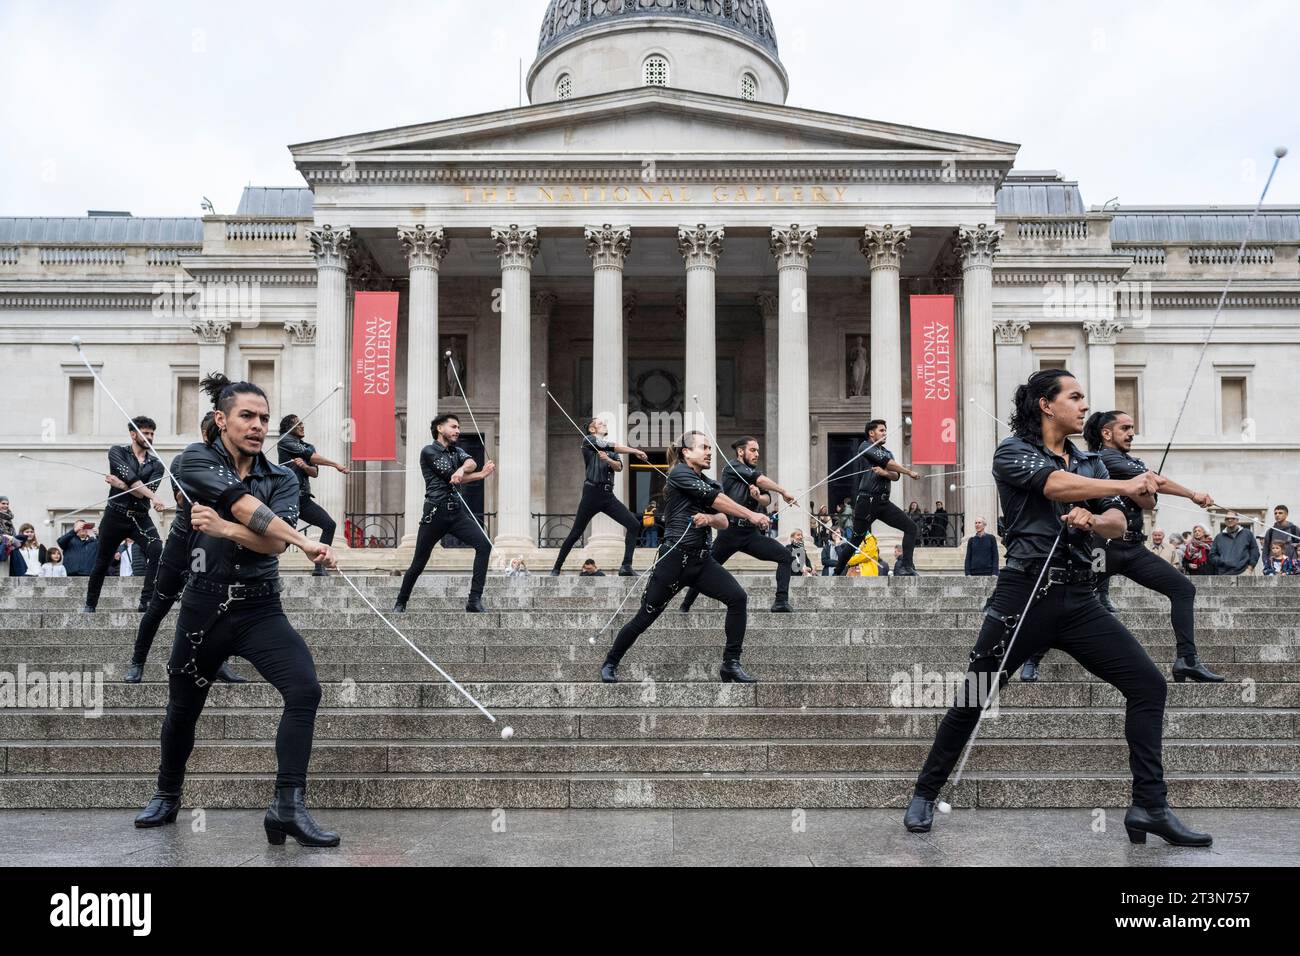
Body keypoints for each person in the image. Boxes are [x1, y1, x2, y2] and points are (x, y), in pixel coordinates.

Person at [904, 368, 1210, 846]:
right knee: (974, 695)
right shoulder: (1012, 451)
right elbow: (1052, 485)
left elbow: (1118, 522)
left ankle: (1149, 807)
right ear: (1046, 405)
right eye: (1075, 396)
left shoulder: (1091, 462)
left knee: (1148, 685)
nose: (1085, 405)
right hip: (1023, 595)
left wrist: (1096, 518)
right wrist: (1124, 487)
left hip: (1081, 599)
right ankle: (925, 793)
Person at [135, 372, 339, 847]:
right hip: (203, 609)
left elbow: (271, 544)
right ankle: (167, 793)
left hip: (260, 607)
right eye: (247, 416)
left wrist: (227, 529)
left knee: (305, 688)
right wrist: (301, 540)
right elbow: (243, 505)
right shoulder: (195, 460)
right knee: (183, 708)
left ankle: (287, 806)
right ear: (222, 420)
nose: (258, 426)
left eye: (264, 418)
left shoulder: (282, 477)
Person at [1023, 410, 1222, 684]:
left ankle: (1187, 659)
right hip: (1102, 548)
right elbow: (1155, 481)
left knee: (1183, 588)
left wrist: (1147, 490)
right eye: (1125, 428)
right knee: (1065, 600)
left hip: (1133, 548)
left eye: (1132, 428)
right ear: (1106, 433)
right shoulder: (1104, 458)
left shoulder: (1130, 461)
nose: (1131, 433)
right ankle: (1031, 657)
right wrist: (1192, 494)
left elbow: (1149, 501)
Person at [601, 431, 770, 684]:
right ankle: (610, 662)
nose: (709, 452)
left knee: (738, 598)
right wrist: (751, 514)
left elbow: (723, 520)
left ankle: (730, 664)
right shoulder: (679, 473)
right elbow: (716, 499)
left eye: (710, 448)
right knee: (645, 616)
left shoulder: (711, 482)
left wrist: (709, 518)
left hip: (701, 561)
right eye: (703, 447)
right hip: (674, 560)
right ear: (686, 452)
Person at [126, 411, 243, 685]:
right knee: (158, 605)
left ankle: (219, 663)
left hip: (209, 547)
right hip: (181, 544)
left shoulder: (231, 465)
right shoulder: (185, 459)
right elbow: (181, 499)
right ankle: (137, 661)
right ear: (206, 434)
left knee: (214, 607)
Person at [678, 436, 801, 613]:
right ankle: (685, 605)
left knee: (785, 557)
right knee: (704, 567)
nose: (757, 454)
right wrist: (783, 491)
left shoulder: (754, 472)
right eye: (753, 450)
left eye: (758, 451)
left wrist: (757, 497)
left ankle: (781, 601)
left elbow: (766, 499)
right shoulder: (732, 467)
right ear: (741, 451)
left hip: (750, 534)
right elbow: (760, 480)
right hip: (730, 532)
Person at [393, 413, 495, 613]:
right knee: (418, 563)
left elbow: (472, 463)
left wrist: (467, 470)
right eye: (453, 427)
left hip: (456, 513)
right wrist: (478, 475)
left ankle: (474, 600)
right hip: (435, 513)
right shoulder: (428, 451)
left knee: (484, 545)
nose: (458, 431)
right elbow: (450, 475)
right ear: (440, 428)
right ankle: (401, 602)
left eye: (458, 427)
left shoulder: (457, 450)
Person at [84, 416, 166, 614]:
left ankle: (146, 602)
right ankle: (90, 604)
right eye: (145, 433)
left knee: (156, 550)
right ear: (133, 434)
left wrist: (122, 485)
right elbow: (132, 478)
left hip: (140, 517)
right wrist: (152, 497)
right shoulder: (117, 452)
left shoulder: (157, 465)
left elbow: (141, 492)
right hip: (115, 515)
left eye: (152, 433)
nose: (149, 437)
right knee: (102, 561)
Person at [551, 418, 649, 576]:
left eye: (604, 423)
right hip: (591, 493)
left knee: (633, 525)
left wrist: (608, 459)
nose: (604, 425)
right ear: (592, 429)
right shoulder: (588, 440)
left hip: (608, 495)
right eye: (600, 423)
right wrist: (636, 451)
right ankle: (556, 567)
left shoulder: (611, 450)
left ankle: (626, 566)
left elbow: (618, 467)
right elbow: (611, 446)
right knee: (576, 532)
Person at [834, 420, 922, 577]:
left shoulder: (887, 452)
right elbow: (887, 462)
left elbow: (895, 475)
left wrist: (885, 473)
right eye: (881, 430)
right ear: (871, 433)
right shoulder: (865, 447)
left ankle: (906, 567)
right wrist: (909, 472)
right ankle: (837, 572)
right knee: (856, 540)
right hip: (867, 501)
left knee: (911, 528)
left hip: (883, 502)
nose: (885, 433)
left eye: (885, 430)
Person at [276, 414, 349, 577]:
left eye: (302, 423)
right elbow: (311, 457)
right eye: (298, 424)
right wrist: (336, 464)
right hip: (289, 497)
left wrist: (304, 467)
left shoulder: (308, 446)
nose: (302, 426)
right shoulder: (285, 441)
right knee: (286, 534)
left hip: (303, 498)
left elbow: (314, 472)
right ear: (289, 428)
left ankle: (319, 566)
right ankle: (268, 564)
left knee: (329, 525)